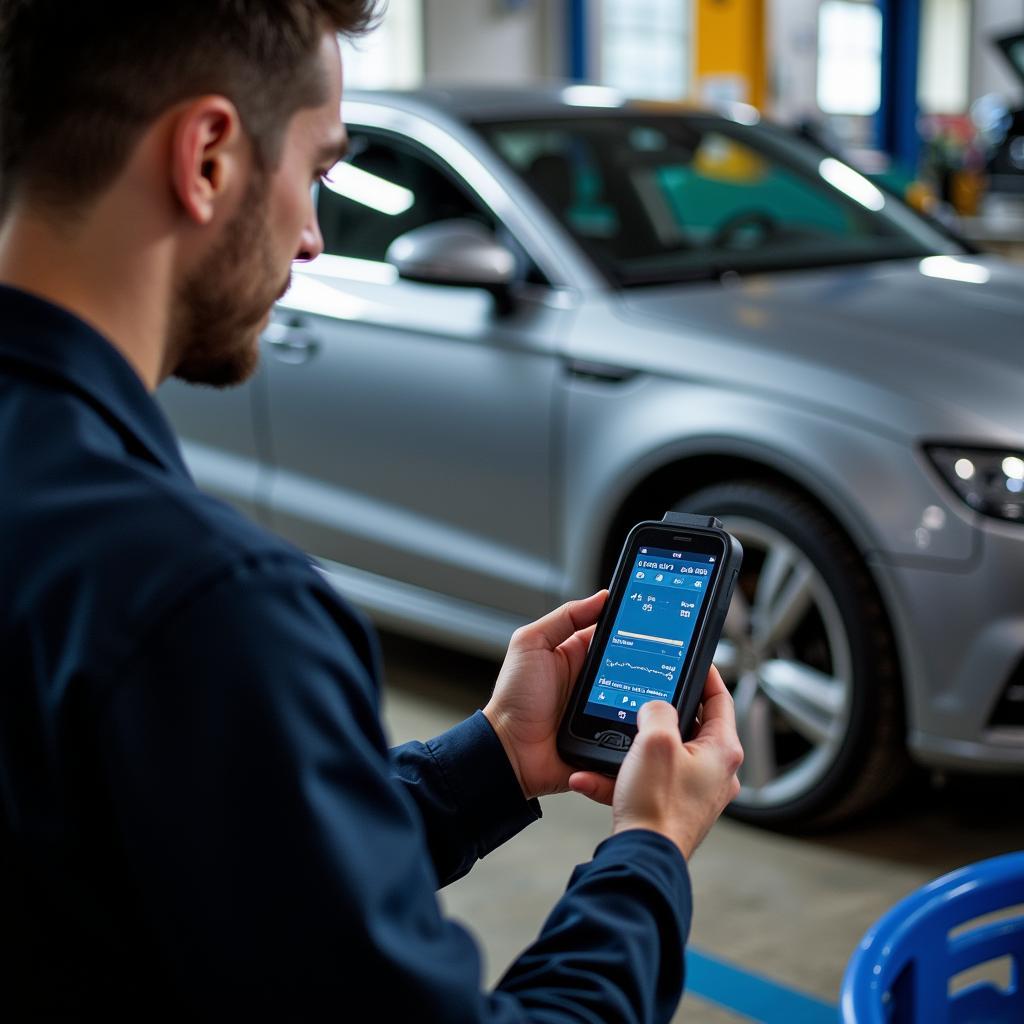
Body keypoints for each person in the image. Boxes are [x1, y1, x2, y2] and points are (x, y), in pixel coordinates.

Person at [0, 1, 743, 1018]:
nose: (311, 238)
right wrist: (650, 851)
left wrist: (493, 759)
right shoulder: (205, 606)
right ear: (209, 157)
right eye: (315, 170)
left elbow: (226, 863)